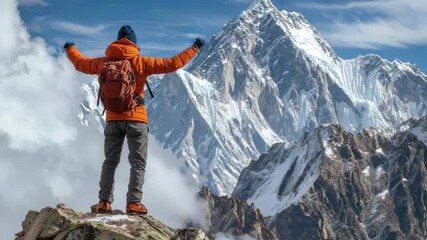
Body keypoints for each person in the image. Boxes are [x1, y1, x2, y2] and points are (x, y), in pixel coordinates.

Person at [64, 25, 205, 214]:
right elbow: (173, 63)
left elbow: (80, 63)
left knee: (110, 162)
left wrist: (70, 49)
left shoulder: (103, 63)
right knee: (137, 162)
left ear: (116, 41)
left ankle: (104, 202)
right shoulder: (141, 62)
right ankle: (133, 203)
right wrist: (194, 47)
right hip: (136, 119)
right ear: (134, 43)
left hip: (112, 119)